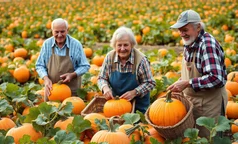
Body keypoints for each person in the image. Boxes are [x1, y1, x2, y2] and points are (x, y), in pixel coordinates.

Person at [167, 9, 227, 138]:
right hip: (193, 102)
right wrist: (181, 82)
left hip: (210, 104)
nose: (182, 34)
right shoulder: (190, 43)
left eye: (185, 29)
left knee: (209, 139)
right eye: (180, 30)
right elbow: (192, 72)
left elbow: (216, 78)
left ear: (198, 27)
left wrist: (188, 82)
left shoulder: (207, 44)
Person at [97, 26, 156, 114]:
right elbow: (101, 78)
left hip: (138, 108)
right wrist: (105, 88)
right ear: (114, 46)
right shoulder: (110, 57)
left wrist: (135, 92)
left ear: (132, 44)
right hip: (115, 105)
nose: (122, 49)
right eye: (119, 45)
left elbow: (150, 83)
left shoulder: (141, 60)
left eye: (126, 45)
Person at [36, 18, 90, 101]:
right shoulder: (47, 44)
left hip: (72, 92)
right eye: (56, 32)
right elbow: (39, 65)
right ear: (52, 31)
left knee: (71, 112)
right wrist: (46, 79)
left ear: (67, 30)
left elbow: (85, 66)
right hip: (51, 92)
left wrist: (73, 75)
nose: (59, 35)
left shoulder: (76, 44)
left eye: (62, 31)